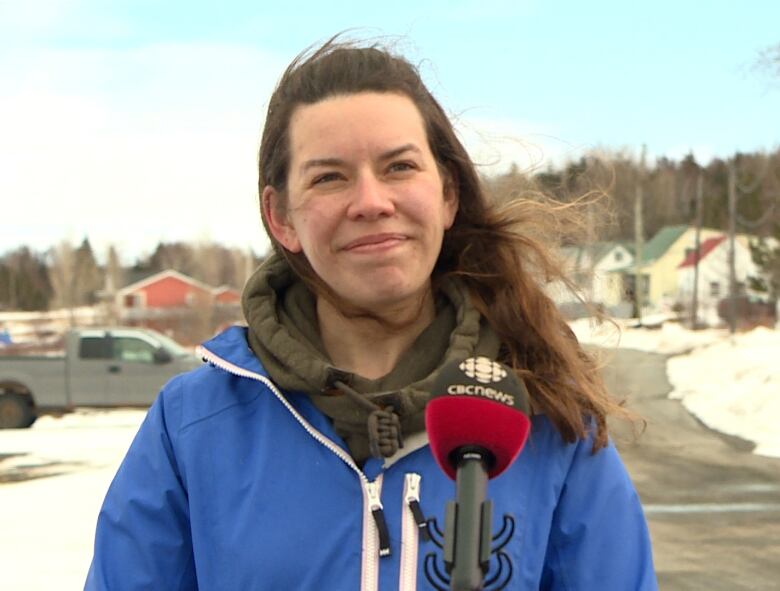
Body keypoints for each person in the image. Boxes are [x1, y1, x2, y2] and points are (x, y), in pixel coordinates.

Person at [85, 37, 657, 590]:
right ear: (281, 217)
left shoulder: (548, 421)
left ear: (448, 193)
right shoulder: (192, 427)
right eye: (329, 177)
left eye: (399, 167)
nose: (371, 202)